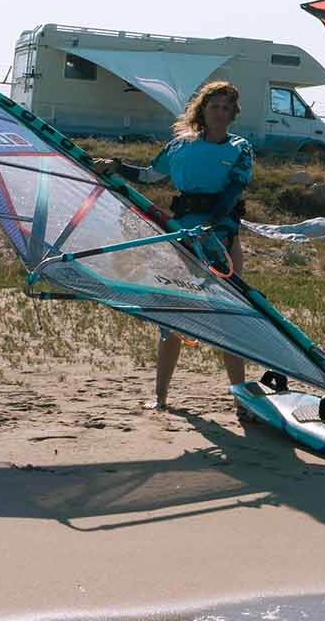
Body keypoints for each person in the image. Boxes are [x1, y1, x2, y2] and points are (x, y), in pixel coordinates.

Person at [92, 80, 252, 409]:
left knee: (229, 317)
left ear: (233, 114)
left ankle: (242, 403)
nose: (220, 113)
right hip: (180, 235)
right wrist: (116, 167)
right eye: (214, 106)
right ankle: (160, 397)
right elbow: (150, 175)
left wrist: (213, 231)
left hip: (220, 238)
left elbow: (231, 193)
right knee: (171, 315)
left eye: (226, 108)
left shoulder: (240, 148)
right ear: (202, 111)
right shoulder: (179, 146)